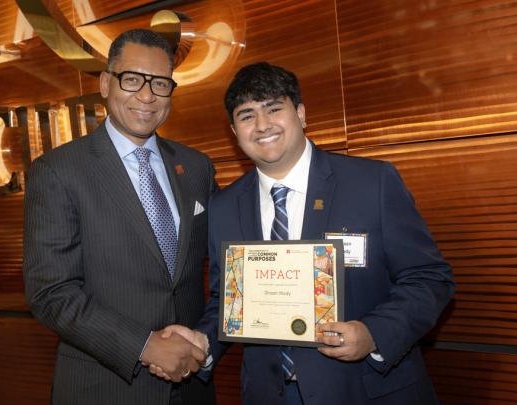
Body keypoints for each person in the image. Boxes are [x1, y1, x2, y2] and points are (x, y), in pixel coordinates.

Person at [163, 62, 454, 404]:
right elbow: (228, 302)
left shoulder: (371, 183)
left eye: (274, 108)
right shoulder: (224, 207)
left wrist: (374, 334)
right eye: (247, 115)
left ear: (300, 113)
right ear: (234, 130)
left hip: (365, 390)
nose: (262, 125)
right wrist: (204, 340)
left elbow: (430, 278)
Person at [23, 28, 217, 405]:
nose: (146, 96)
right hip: (105, 387)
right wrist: (144, 346)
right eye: (132, 80)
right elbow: (50, 292)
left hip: (192, 386)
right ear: (106, 83)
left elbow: (225, 262)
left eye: (160, 84)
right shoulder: (59, 170)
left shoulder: (196, 168)